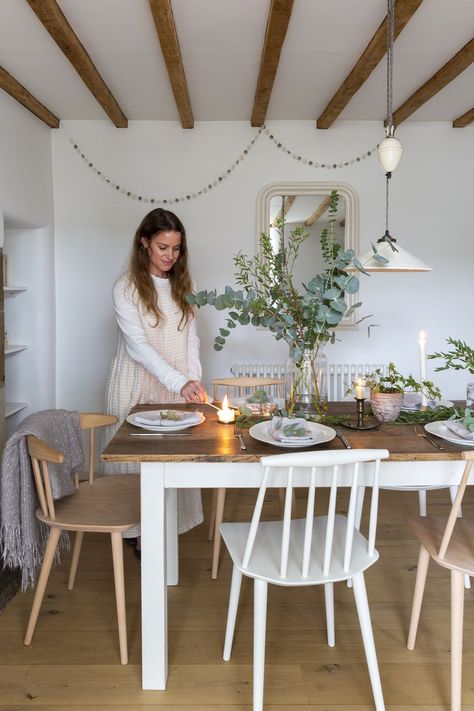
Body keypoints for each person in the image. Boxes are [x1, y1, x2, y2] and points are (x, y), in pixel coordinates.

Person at [102, 208, 207, 549]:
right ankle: (139, 535)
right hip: (136, 384)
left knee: (173, 463)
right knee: (138, 465)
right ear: (144, 243)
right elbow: (139, 348)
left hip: (176, 384)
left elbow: (192, 338)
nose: (169, 256)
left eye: (176, 249)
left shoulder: (186, 285)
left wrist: (193, 379)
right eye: (163, 247)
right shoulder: (126, 287)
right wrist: (180, 381)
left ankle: (165, 534)